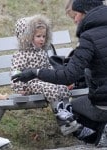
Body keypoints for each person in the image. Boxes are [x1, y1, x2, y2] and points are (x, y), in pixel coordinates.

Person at [11, 0, 107, 147]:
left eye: (77, 14)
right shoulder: (22, 55)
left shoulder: (88, 37)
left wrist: (35, 72)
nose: (75, 19)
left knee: (76, 107)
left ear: (85, 13)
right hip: (36, 84)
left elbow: (69, 75)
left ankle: (100, 134)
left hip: (103, 103)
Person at [10, 14, 78, 136]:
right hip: (31, 84)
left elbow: (48, 67)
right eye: (38, 36)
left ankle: (67, 113)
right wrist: (20, 88)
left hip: (44, 80)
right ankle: (62, 118)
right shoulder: (20, 54)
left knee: (62, 88)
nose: (42, 39)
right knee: (50, 88)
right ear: (26, 37)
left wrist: (57, 78)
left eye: (44, 36)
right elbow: (16, 72)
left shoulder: (42, 53)